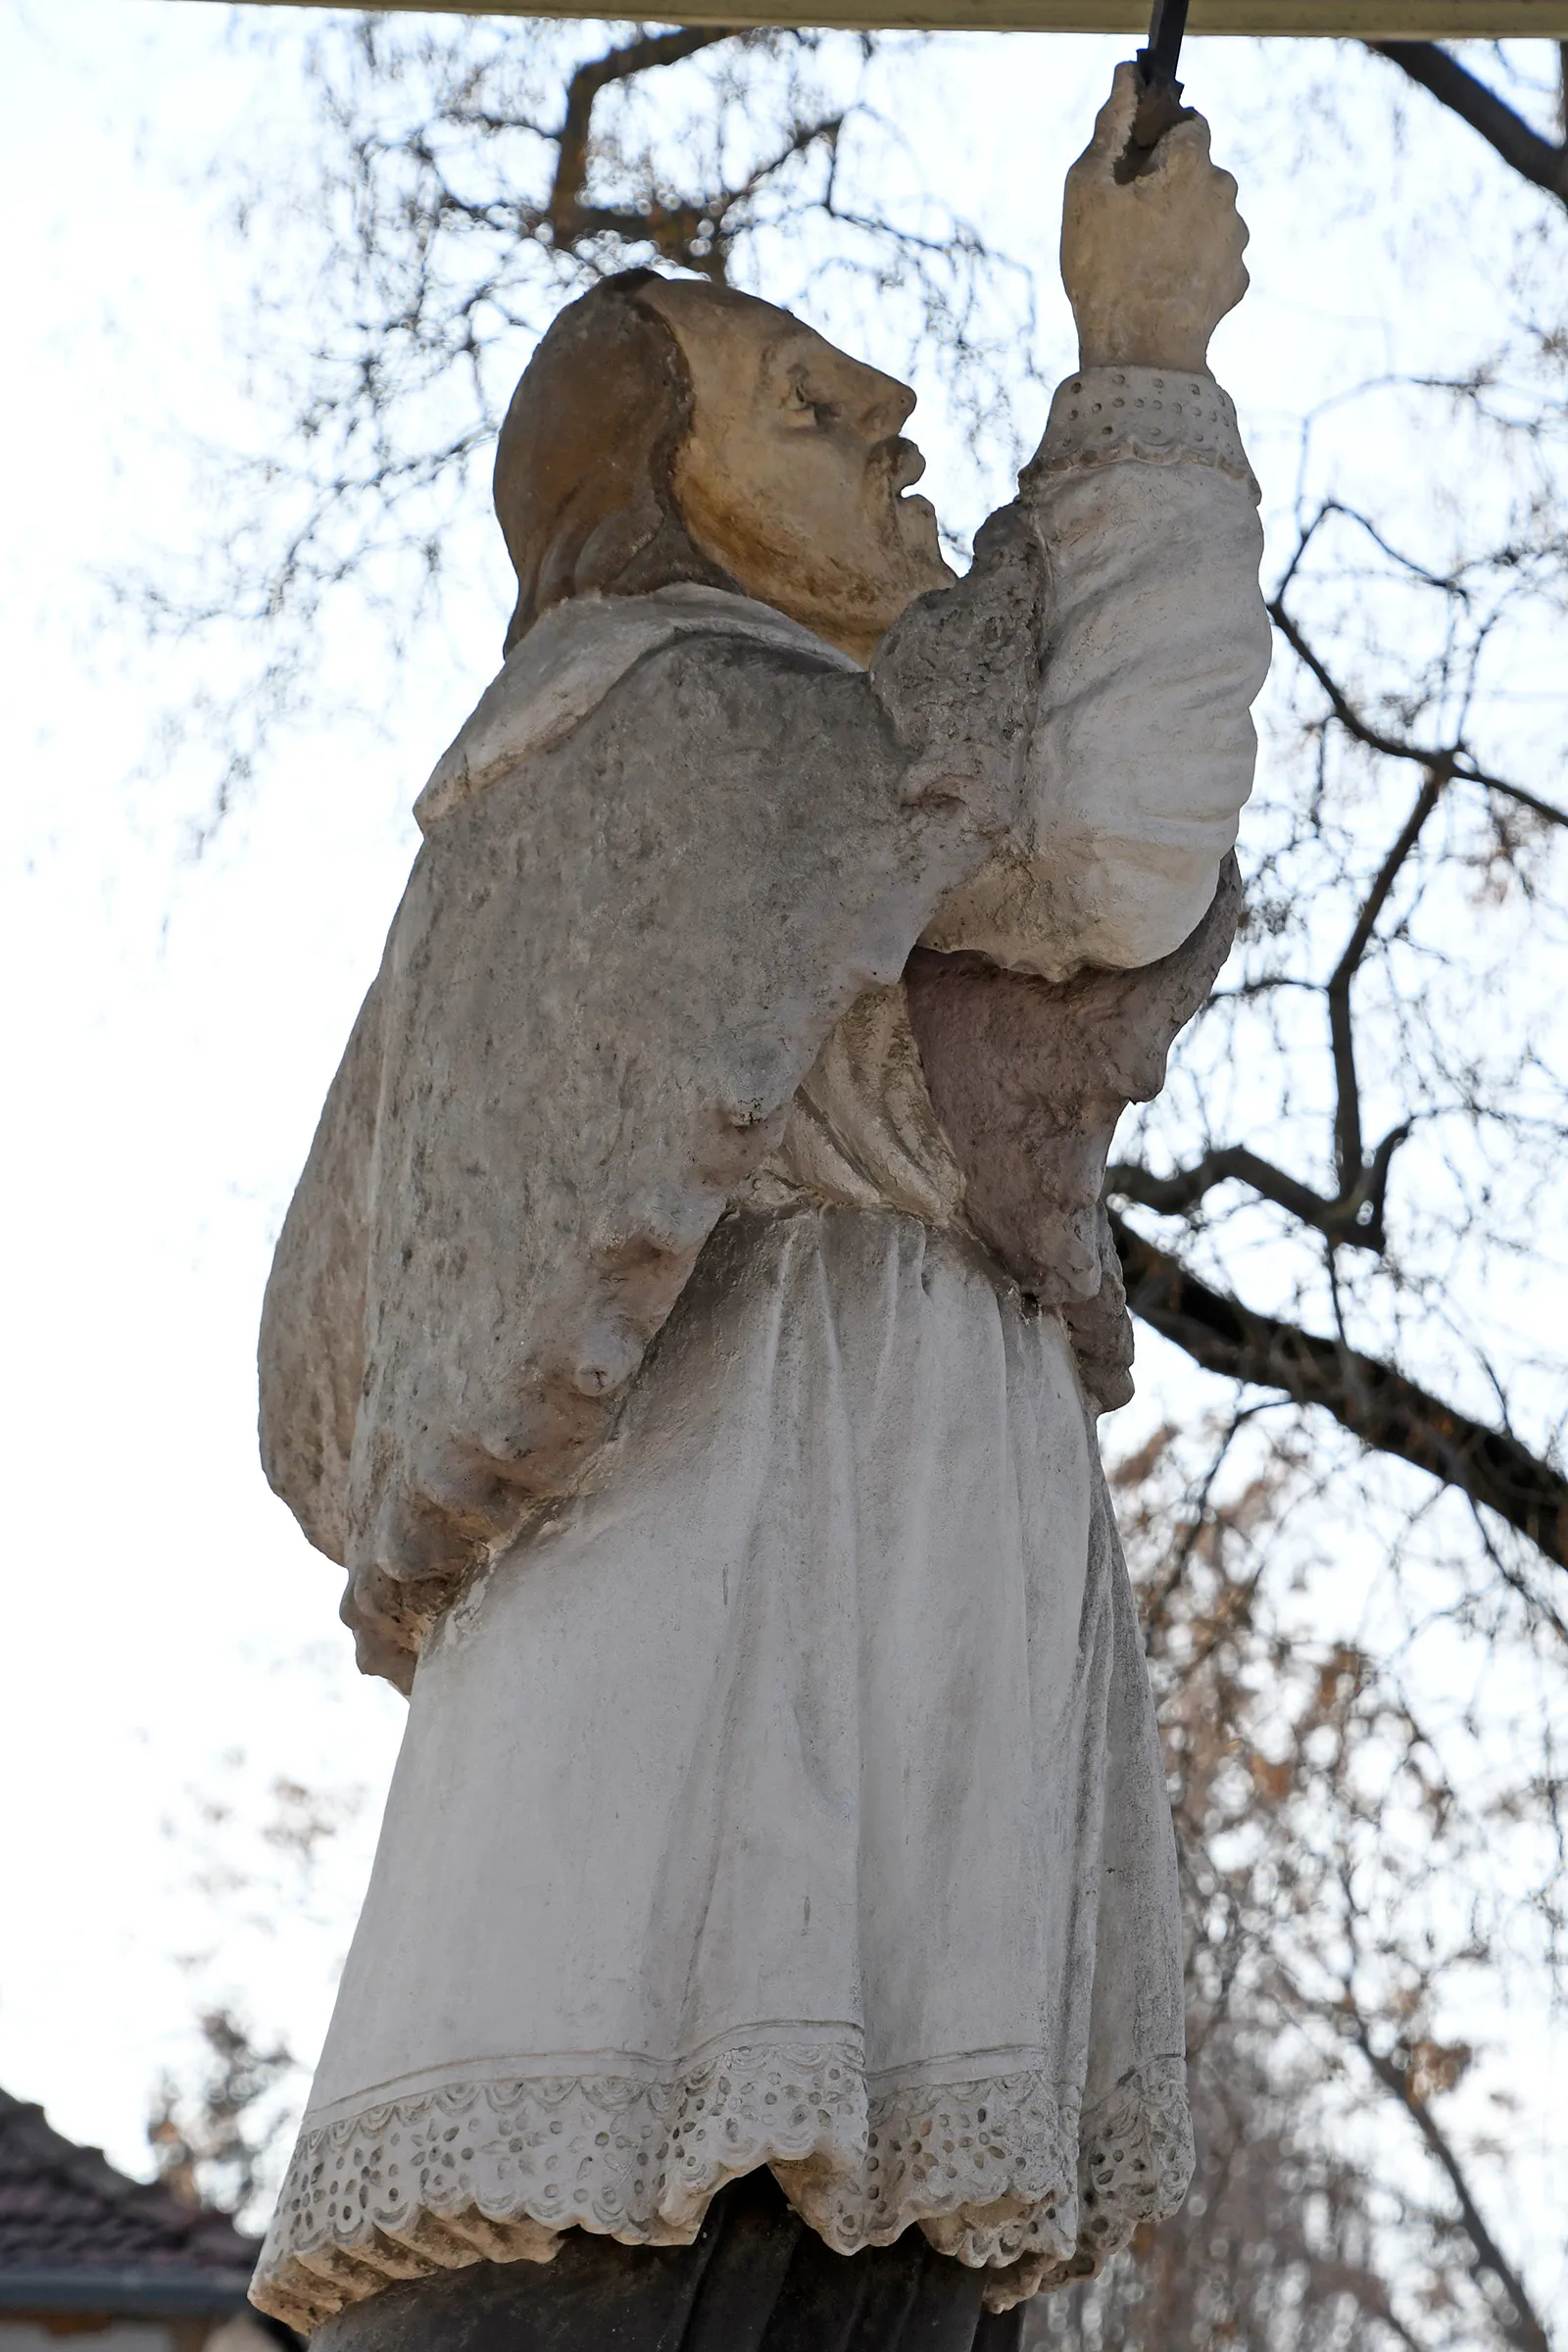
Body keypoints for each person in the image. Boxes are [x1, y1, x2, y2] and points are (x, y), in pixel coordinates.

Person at [250, 63, 1270, 2350]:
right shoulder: (680, 735)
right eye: (808, 406)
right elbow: (1106, 856)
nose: (891, 406)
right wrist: (1138, 362)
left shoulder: (750, 784)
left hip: (838, 1711)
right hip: (726, 1761)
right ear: (673, 509)